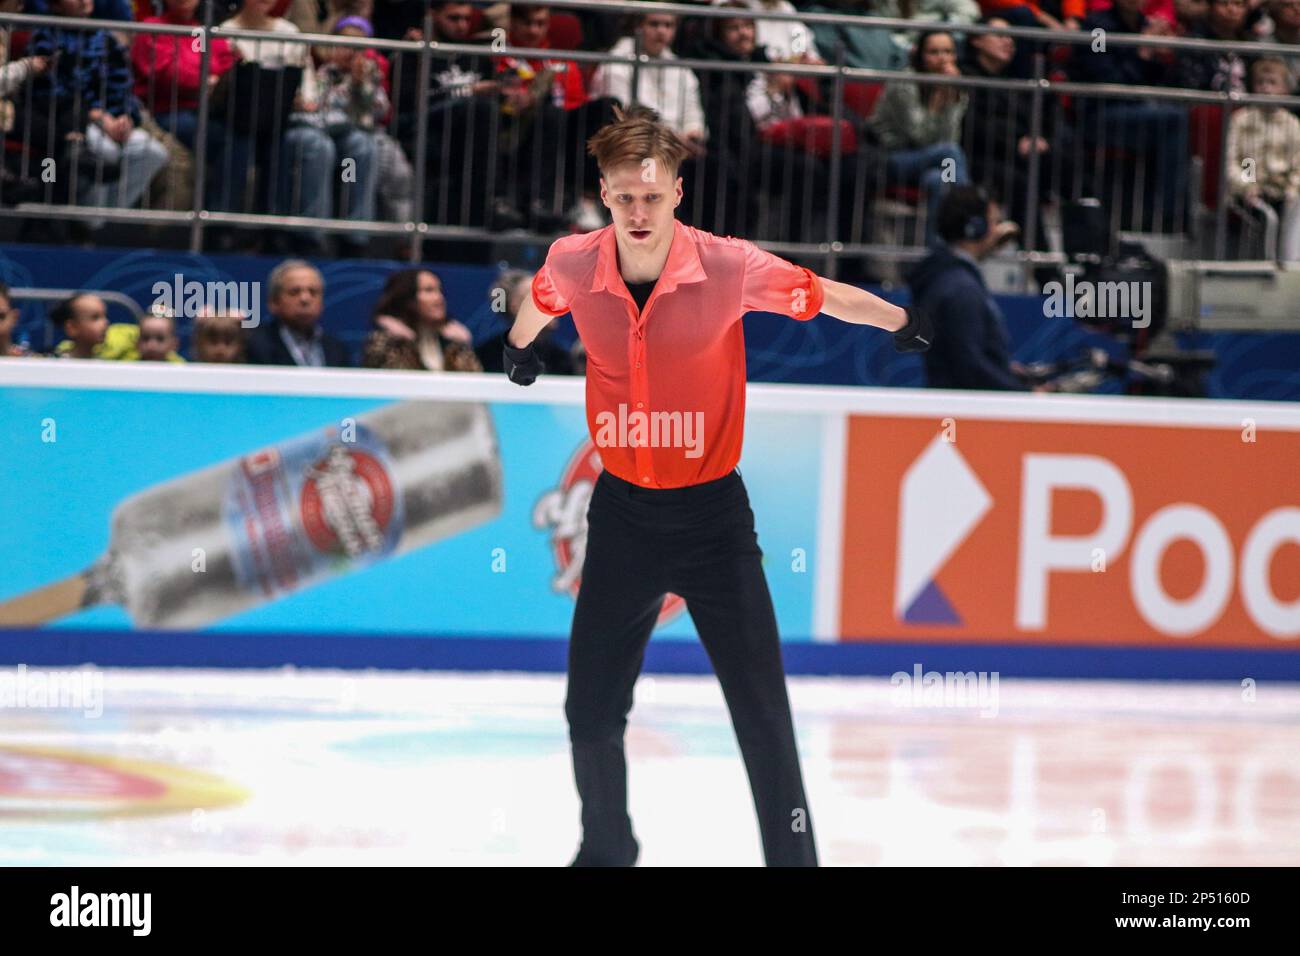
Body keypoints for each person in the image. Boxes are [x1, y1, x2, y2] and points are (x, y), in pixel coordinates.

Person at [502, 105, 932, 867]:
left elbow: (822, 293)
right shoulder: (573, 261)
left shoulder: (728, 266)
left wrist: (899, 320)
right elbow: (540, 300)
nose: (639, 212)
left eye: (652, 196)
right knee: (590, 711)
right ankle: (606, 849)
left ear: (678, 193)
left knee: (762, 714)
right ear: (604, 195)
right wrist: (519, 347)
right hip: (621, 518)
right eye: (625, 198)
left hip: (713, 522)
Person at [906, 185, 1043, 391]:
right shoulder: (960, 288)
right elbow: (969, 367)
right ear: (975, 227)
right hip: (963, 406)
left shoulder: (946, 276)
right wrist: (1024, 394)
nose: (997, 231)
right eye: (994, 222)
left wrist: (1006, 372)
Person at [869, 30, 970, 246]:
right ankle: (969, 215)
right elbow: (920, 136)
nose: (942, 59)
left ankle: (939, 248)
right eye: (934, 52)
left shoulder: (954, 90)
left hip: (930, 162)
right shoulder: (904, 83)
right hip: (891, 158)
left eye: (948, 52)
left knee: (940, 181)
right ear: (920, 55)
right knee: (950, 153)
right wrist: (937, 103)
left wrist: (951, 99)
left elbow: (950, 138)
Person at [1226, 57, 1300, 261]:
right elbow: (1240, 160)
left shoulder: (1292, 124)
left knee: (1295, 207)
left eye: (1272, 82)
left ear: (1285, 90)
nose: (1266, 88)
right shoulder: (1242, 120)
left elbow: (1297, 165)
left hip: (1284, 190)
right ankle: (1266, 265)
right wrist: (1248, 185)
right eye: (1261, 82)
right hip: (1251, 188)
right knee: (1265, 215)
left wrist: (1292, 189)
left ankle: (1290, 265)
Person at [361, 268, 482, 370]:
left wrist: (460, 347)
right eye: (429, 290)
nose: (439, 298)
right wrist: (402, 342)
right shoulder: (386, 341)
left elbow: (474, 383)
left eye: (440, 291)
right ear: (407, 298)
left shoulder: (453, 341)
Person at [246, 260, 353, 366]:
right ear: (274, 302)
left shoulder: (336, 349)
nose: (305, 299)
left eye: (313, 292)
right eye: (294, 292)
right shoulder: (254, 343)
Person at [475, 269, 578, 374]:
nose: (549, 300)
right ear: (514, 307)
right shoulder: (487, 356)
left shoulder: (563, 358)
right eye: (535, 297)